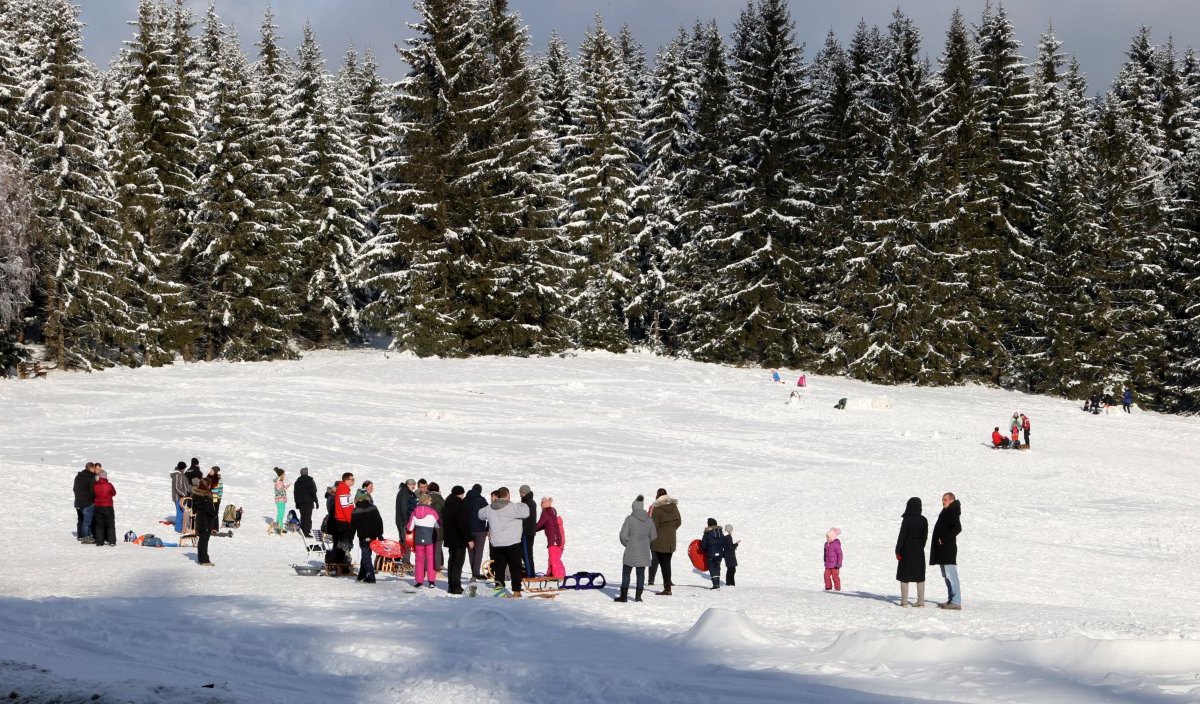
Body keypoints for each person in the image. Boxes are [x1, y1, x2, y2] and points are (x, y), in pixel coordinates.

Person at [477, 487, 529, 596]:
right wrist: (522, 504)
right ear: (508, 495)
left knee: (499, 569)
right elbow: (526, 513)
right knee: (515, 568)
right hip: (512, 543)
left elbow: (480, 514)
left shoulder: (490, 507)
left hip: (497, 544)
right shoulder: (513, 507)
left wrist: (490, 506)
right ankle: (516, 591)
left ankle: (499, 590)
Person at [615, 495, 656, 603]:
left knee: (626, 573)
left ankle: (623, 596)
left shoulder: (630, 519)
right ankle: (638, 596)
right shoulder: (649, 520)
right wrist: (646, 543)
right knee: (641, 573)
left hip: (631, 550)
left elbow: (623, 536)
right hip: (644, 551)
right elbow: (654, 536)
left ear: (633, 508)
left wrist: (628, 545)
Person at [930, 492, 963, 610]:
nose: (943, 501)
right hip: (943, 550)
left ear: (951, 500)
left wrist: (943, 539)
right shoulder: (947, 510)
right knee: (946, 576)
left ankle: (956, 601)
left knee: (951, 575)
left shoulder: (952, 510)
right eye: (942, 500)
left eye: (945, 500)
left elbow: (958, 528)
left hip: (948, 550)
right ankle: (951, 600)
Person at [895, 497, 928, 607]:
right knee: (920, 576)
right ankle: (921, 601)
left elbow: (902, 536)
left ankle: (904, 602)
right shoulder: (924, 520)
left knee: (905, 575)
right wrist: (920, 546)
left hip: (906, 550)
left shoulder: (907, 519)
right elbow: (925, 537)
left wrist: (898, 550)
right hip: (919, 551)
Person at [647, 488, 681, 595]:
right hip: (671, 540)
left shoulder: (657, 508)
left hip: (659, 541)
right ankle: (668, 585)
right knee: (667, 563)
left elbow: (653, 526)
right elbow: (679, 521)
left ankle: (667, 589)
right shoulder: (674, 506)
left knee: (663, 565)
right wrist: (671, 530)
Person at [441, 486, 472, 594]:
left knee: (452, 562)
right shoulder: (460, 506)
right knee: (458, 563)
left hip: (450, 539)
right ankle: (456, 586)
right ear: (460, 494)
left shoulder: (446, 506)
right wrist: (469, 539)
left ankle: (451, 585)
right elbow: (463, 525)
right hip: (459, 539)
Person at [407, 494, 442, 588]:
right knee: (430, 559)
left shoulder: (414, 511)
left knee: (419, 560)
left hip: (418, 539)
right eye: (430, 501)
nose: (431, 503)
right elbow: (438, 525)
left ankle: (419, 581)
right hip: (430, 538)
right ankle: (431, 581)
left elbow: (410, 528)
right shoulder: (432, 511)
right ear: (426, 501)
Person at [351, 489, 384, 584]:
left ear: (358, 499)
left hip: (363, 536)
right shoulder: (373, 508)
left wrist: (350, 538)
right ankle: (361, 574)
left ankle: (370, 576)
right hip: (373, 536)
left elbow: (352, 527)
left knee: (366, 556)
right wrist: (380, 534)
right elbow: (379, 521)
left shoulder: (356, 511)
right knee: (366, 555)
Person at [534, 496, 565, 580]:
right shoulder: (552, 512)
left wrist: (530, 530)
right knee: (554, 559)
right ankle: (555, 574)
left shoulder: (545, 513)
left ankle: (557, 577)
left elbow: (539, 524)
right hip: (557, 539)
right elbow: (543, 525)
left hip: (553, 540)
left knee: (553, 560)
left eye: (542, 503)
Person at [464, 483, 489, 582]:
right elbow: (488, 513)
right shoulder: (482, 500)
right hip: (480, 530)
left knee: (471, 552)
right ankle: (476, 573)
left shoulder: (465, 500)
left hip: (468, 530)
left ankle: (474, 572)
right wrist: (487, 528)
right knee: (478, 552)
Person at [193, 478, 217, 566]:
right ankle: (204, 560)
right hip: (205, 521)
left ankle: (201, 559)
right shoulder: (205, 496)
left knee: (202, 541)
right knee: (204, 542)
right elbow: (207, 509)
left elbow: (194, 508)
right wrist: (214, 514)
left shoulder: (196, 495)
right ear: (207, 485)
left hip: (200, 520)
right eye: (209, 484)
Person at [395, 478, 418, 564]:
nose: (414, 487)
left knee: (404, 540)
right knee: (406, 541)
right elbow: (404, 509)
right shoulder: (405, 493)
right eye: (413, 485)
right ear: (408, 485)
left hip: (402, 520)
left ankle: (402, 559)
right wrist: (407, 523)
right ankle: (406, 562)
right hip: (404, 521)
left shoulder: (405, 492)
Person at [74, 462, 98, 543]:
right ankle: (85, 537)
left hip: (78, 501)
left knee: (83, 520)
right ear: (91, 468)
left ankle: (88, 535)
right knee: (87, 521)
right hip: (88, 502)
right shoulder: (91, 477)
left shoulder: (78, 476)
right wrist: (93, 499)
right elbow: (92, 491)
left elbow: (74, 489)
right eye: (94, 468)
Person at [92, 469, 117, 547]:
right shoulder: (109, 485)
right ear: (105, 477)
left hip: (97, 506)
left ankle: (99, 542)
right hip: (107, 506)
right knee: (110, 524)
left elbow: (93, 494)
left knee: (99, 525)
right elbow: (114, 493)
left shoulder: (95, 485)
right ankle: (112, 541)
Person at [700, 518, 727, 590]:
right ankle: (717, 583)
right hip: (720, 554)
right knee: (717, 568)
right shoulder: (721, 532)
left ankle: (715, 585)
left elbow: (703, 545)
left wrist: (705, 549)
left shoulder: (707, 533)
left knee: (712, 569)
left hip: (711, 554)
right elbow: (724, 543)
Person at [334, 472, 356, 552]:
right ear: (346, 480)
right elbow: (346, 508)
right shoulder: (343, 489)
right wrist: (351, 521)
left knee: (343, 545)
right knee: (344, 546)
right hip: (344, 521)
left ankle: (342, 561)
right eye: (352, 479)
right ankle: (343, 562)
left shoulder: (344, 489)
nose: (353, 481)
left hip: (344, 520)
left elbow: (350, 506)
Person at [294, 467, 319, 537]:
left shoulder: (297, 482)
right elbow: (313, 492)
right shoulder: (310, 481)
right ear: (307, 473)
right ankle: (306, 532)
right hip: (309, 502)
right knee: (308, 517)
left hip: (301, 502)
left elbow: (295, 493)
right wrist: (316, 501)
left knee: (303, 516)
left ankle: (303, 529)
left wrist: (296, 503)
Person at [519, 485, 538, 578]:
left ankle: (530, 574)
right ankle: (529, 572)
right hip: (529, 531)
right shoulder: (531, 502)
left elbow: (524, 518)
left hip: (526, 531)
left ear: (524, 493)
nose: (520, 495)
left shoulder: (527, 503)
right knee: (525, 553)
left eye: (521, 493)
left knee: (526, 554)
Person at [427, 482, 446, 571]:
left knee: (427, 548)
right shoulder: (441, 500)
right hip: (439, 527)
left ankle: (427, 567)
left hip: (426, 527)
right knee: (437, 549)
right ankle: (437, 568)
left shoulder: (425, 499)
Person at [170, 461, 189, 533]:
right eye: (184, 468)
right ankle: (178, 529)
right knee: (180, 513)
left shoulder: (181, 474)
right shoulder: (178, 475)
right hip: (178, 497)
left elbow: (184, 486)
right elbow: (178, 488)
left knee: (181, 512)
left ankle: (180, 527)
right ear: (182, 468)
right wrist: (184, 494)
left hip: (181, 497)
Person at [272, 468, 289, 534]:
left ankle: (280, 527)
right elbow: (280, 491)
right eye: (284, 474)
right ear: (281, 475)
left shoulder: (279, 481)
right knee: (280, 514)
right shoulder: (279, 482)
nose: (284, 475)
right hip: (280, 500)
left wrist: (285, 487)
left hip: (281, 499)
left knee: (280, 514)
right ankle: (278, 528)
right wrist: (285, 487)